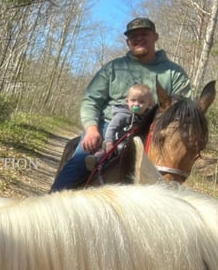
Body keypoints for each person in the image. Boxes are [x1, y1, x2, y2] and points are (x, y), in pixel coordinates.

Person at [50, 17, 191, 192]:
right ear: (127, 41)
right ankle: (49, 205)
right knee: (76, 167)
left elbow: (184, 110)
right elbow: (91, 100)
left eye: (144, 34)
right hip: (108, 126)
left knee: (171, 182)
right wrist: (92, 129)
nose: (138, 38)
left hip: (153, 133)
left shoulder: (174, 73)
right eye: (133, 36)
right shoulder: (114, 68)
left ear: (155, 36)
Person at [84, 83, 153, 171]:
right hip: (117, 142)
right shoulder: (123, 115)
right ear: (127, 101)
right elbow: (112, 127)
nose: (136, 104)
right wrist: (109, 142)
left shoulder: (146, 119)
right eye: (133, 100)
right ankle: (96, 159)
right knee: (109, 152)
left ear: (149, 104)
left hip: (134, 144)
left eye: (141, 102)